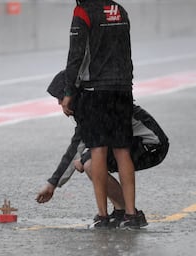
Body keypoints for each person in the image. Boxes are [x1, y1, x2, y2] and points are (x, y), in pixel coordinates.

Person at [36, 70, 169, 228]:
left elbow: (76, 149)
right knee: (90, 160)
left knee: (91, 163)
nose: (59, 103)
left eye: (60, 97)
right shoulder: (90, 106)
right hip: (137, 143)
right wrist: (53, 183)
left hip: (152, 145)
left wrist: (52, 184)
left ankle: (130, 214)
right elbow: (77, 148)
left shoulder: (94, 109)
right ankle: (122, 211)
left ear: (73, 95)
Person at [61, 0, 138, 228]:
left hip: (96, 90)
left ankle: (103, 216)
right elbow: (126, 50)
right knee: (123, 151)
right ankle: (132, 215)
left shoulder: (83, 11)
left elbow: (76, 54)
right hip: (123, 88)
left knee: (98, 152)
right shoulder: (119, 9)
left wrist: (68, 91)